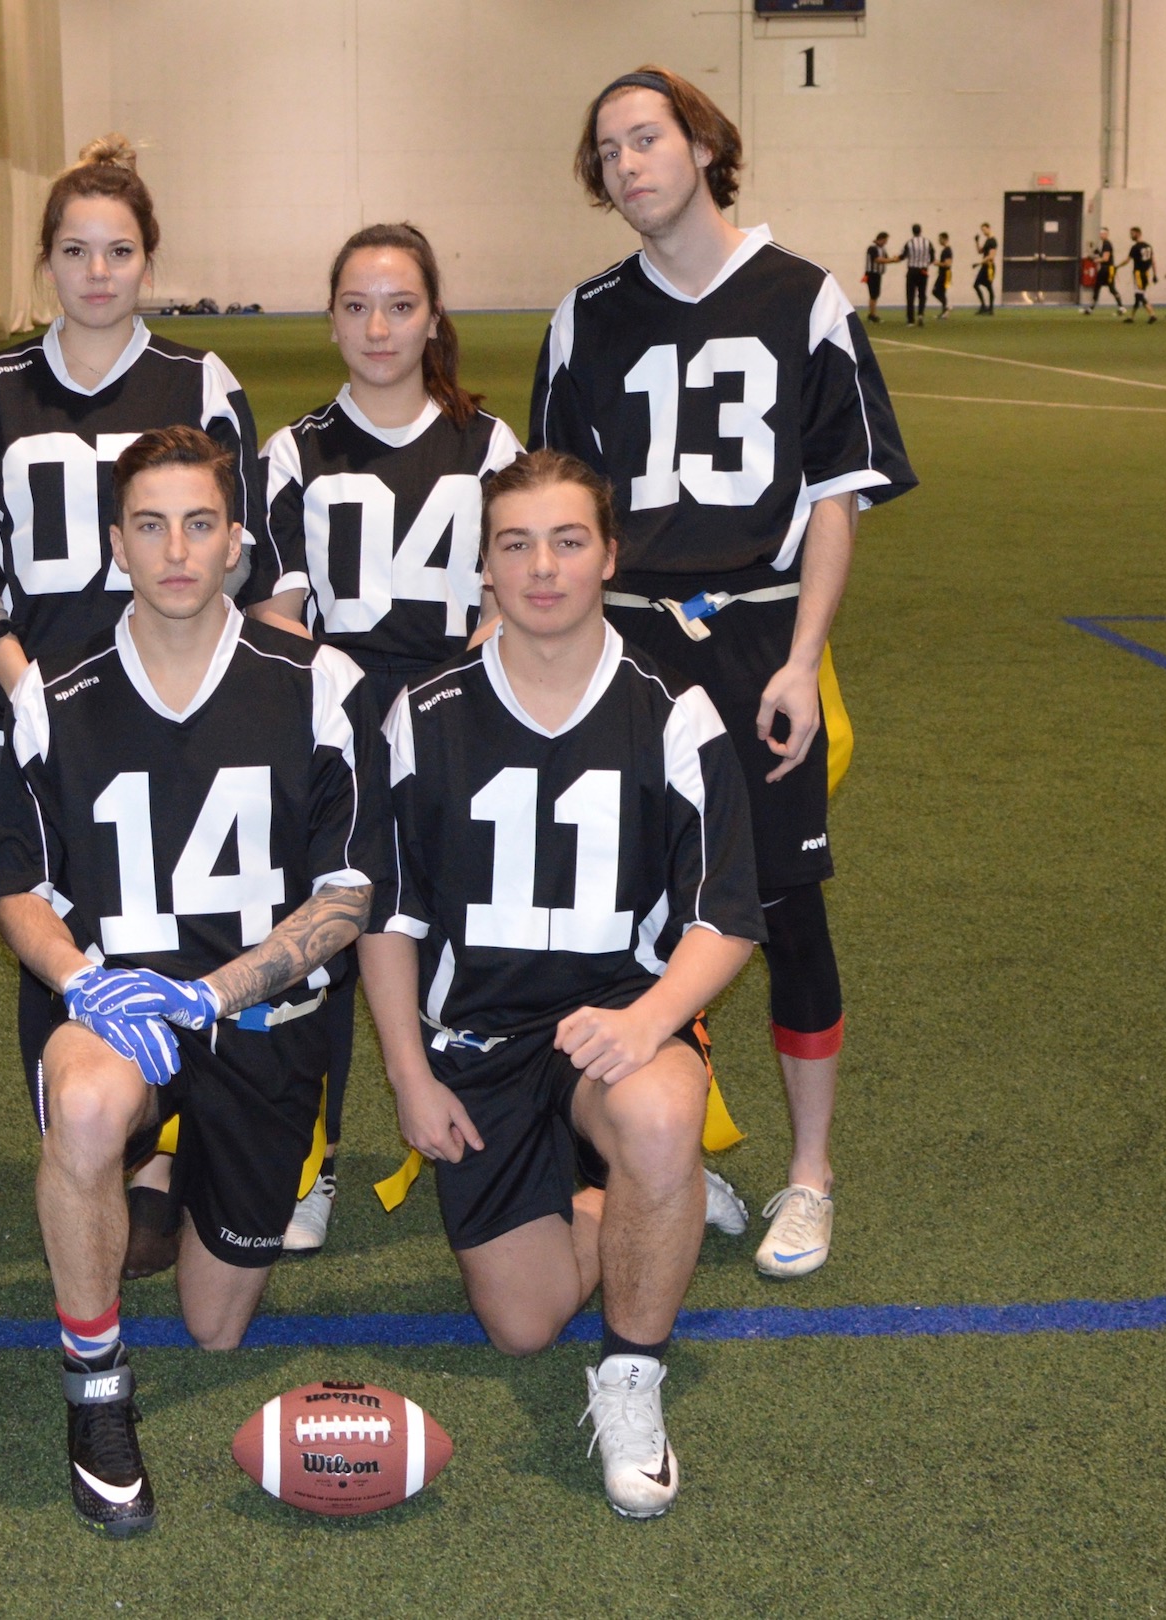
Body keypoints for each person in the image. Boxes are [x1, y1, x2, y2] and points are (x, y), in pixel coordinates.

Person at [531, 64, 917, 1279]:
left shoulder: (804, 296)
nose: (627, 164)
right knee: (622, 912)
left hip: (756, 643)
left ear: (702, 144)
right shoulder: (585, 317)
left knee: (786, 906)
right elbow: (557, 515)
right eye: (608, 151)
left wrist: (802, 661)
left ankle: (811, 1175)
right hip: (627, 649)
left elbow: (836, 499)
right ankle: (658, 1158)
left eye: (646, 138)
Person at [0, 426, 387, 1536]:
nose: (175, 550)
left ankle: (164, 1177)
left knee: (216, 1327)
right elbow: (19, 890)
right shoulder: (53, 693)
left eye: (199, 524)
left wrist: (214, 994)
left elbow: (349, 896)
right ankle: (96, 1390)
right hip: (117, 1017)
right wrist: (83, 981)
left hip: (259, 1022)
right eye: (151, 525)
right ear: (116, 543)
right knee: (86, 1106)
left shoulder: (320, 682)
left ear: (236, 543)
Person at [364, 450, 763, 1519]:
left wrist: (652, 1019)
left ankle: (632, 1376)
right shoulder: (425, 713)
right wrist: (408, 1076)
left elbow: (726, 916)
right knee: (523, 1324)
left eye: (568, 541)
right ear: (485, 568)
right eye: (517, 544)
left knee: (661, 1109)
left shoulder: (673, 712)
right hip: (478, 1044)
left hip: (611, 1026)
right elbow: (391, 917)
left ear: (609, 557)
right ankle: (649, 1196)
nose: (543, 567)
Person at [0, 136, 267, 1277]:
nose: (98, 272)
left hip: (163, 712)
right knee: (53, 929)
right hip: (22, 712)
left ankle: (164, 1153)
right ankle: (87, 1143)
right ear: (47, 262)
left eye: (119, 251)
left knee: (170, 913)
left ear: (148, 261)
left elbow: (239, 547)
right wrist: (23, 678)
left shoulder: (201, 382)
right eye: (75, 251)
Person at [250, 222, 520, 1253]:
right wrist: (351, 710)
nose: (378, 328)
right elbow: (277, 616)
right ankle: (306, 1164)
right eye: (357, 307)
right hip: (341, 735)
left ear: (433, 318)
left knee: (463, 944)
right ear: (330, 320)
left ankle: (483, 1143)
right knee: (321, 953)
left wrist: (446, 702)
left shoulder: (488, 447)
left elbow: (509, 595)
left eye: (401, 306)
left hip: (457, 733)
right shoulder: (294, 451)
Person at [899, 223, 934, 325]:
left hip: (912, 270)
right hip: (923, 270)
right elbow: (932, 258)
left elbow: (902, 256)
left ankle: (911, 320)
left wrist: (895, 258)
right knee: (922, 294)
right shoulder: (927, 242)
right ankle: (920, 314)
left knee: (910, 295)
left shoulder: (909, 243)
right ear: (920, 231)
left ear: (912, 231)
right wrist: (925, 264)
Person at [1084, 226, 1123, 314]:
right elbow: (1097, 254)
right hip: (1106, 269)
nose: (1101, 235)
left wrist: (1095, 260)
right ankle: (1121, 307)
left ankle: (1091, 308)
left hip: (1107, 269)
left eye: (1103, 233)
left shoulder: (1107, 244)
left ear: (1106, 234)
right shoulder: (1102, 244)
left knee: (1101, 287)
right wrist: (1093, 255)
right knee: (1107, 288)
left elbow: (1105, 258)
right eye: (1100, 233)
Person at [1125, 227, 1159, 323]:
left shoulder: (1135, 247)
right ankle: (1131, 317)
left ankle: (1152, 314)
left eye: (1132, 233)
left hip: (1138, 275)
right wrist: (1155, 274)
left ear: (1138, 233)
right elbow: (1153, 261)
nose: (1131, 236)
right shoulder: (1148, 246)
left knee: (1139, 295)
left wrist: (1117, 267)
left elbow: (1127, 260)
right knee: (1138, 296)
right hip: (1146, 274)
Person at [861, 232, 893, 323]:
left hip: (878, 274)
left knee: (875, 294)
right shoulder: (872, 248)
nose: (886, 242)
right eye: (885, 240)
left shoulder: (882, 249)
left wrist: (892, 259)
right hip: (872, 274)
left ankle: (872, 313)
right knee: (873, 294)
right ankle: (872, 315)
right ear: (881, 239)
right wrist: (892, 260)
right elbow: (877, 259)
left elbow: (886, 259)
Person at [972, 224, 997, 315]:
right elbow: (980, 251)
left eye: (984, 229)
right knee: (976, 285)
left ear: (989, 228)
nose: (983, 232)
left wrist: (979, 263)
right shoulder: (987, 240)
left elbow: (991, 256)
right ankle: (983, 306)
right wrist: (977, 241)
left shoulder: (993, 241)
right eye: (982, 230)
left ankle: (990, 309)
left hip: (989, 267)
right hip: (984, 266)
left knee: (989, 287)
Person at [932, 232, 954, 319]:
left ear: (945, 239)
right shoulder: (945, 250)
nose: (939, 241)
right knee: (942, 292)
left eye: (940, 239)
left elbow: (948, 264)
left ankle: (947, 306)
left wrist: (937, 263)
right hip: (943, 273)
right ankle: (945, 312)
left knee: (935, 291)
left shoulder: (947, 250)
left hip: (945, 274)